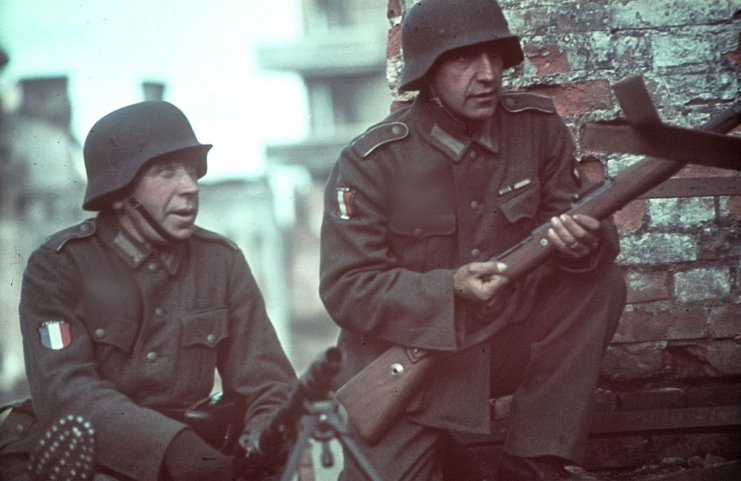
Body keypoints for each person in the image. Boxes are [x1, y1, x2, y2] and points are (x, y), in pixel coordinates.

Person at [319, 0, 627, 480]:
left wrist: (584, 246)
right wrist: (451, 288)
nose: (487, 74)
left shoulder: (536, 128)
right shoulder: (371, 161)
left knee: (600, 283)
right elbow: (347, 287)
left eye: (494, 56)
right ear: (428, 73)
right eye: (464, 59)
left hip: (507, 342)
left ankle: (534, 458)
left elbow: (571, 219)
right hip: (416, 369)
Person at [0, 101, 297, 481]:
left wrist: (259, 442)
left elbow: (269, 382)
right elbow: (66, 392)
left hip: (201, 463)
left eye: (191, 171)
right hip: (83, 462)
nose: (189, 187)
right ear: (122, 193)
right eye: (166, 172)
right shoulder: (59, 267)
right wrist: (174, 447)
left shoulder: (220, 262)